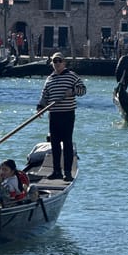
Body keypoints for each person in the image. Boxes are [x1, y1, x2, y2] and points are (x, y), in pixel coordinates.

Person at [36, 52, 86, 182]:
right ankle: (56, 171)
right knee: (55, 143)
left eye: (59, 61)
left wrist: (73, 91)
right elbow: (44, 95)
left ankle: (67, 172)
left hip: (67, 113)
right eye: (54, 61)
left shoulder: (72, 76)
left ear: (64, 63)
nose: (57, 63)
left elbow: (83, 90)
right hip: (53, 114)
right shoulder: (49, 79)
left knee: (67, 142)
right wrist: (40, 107)